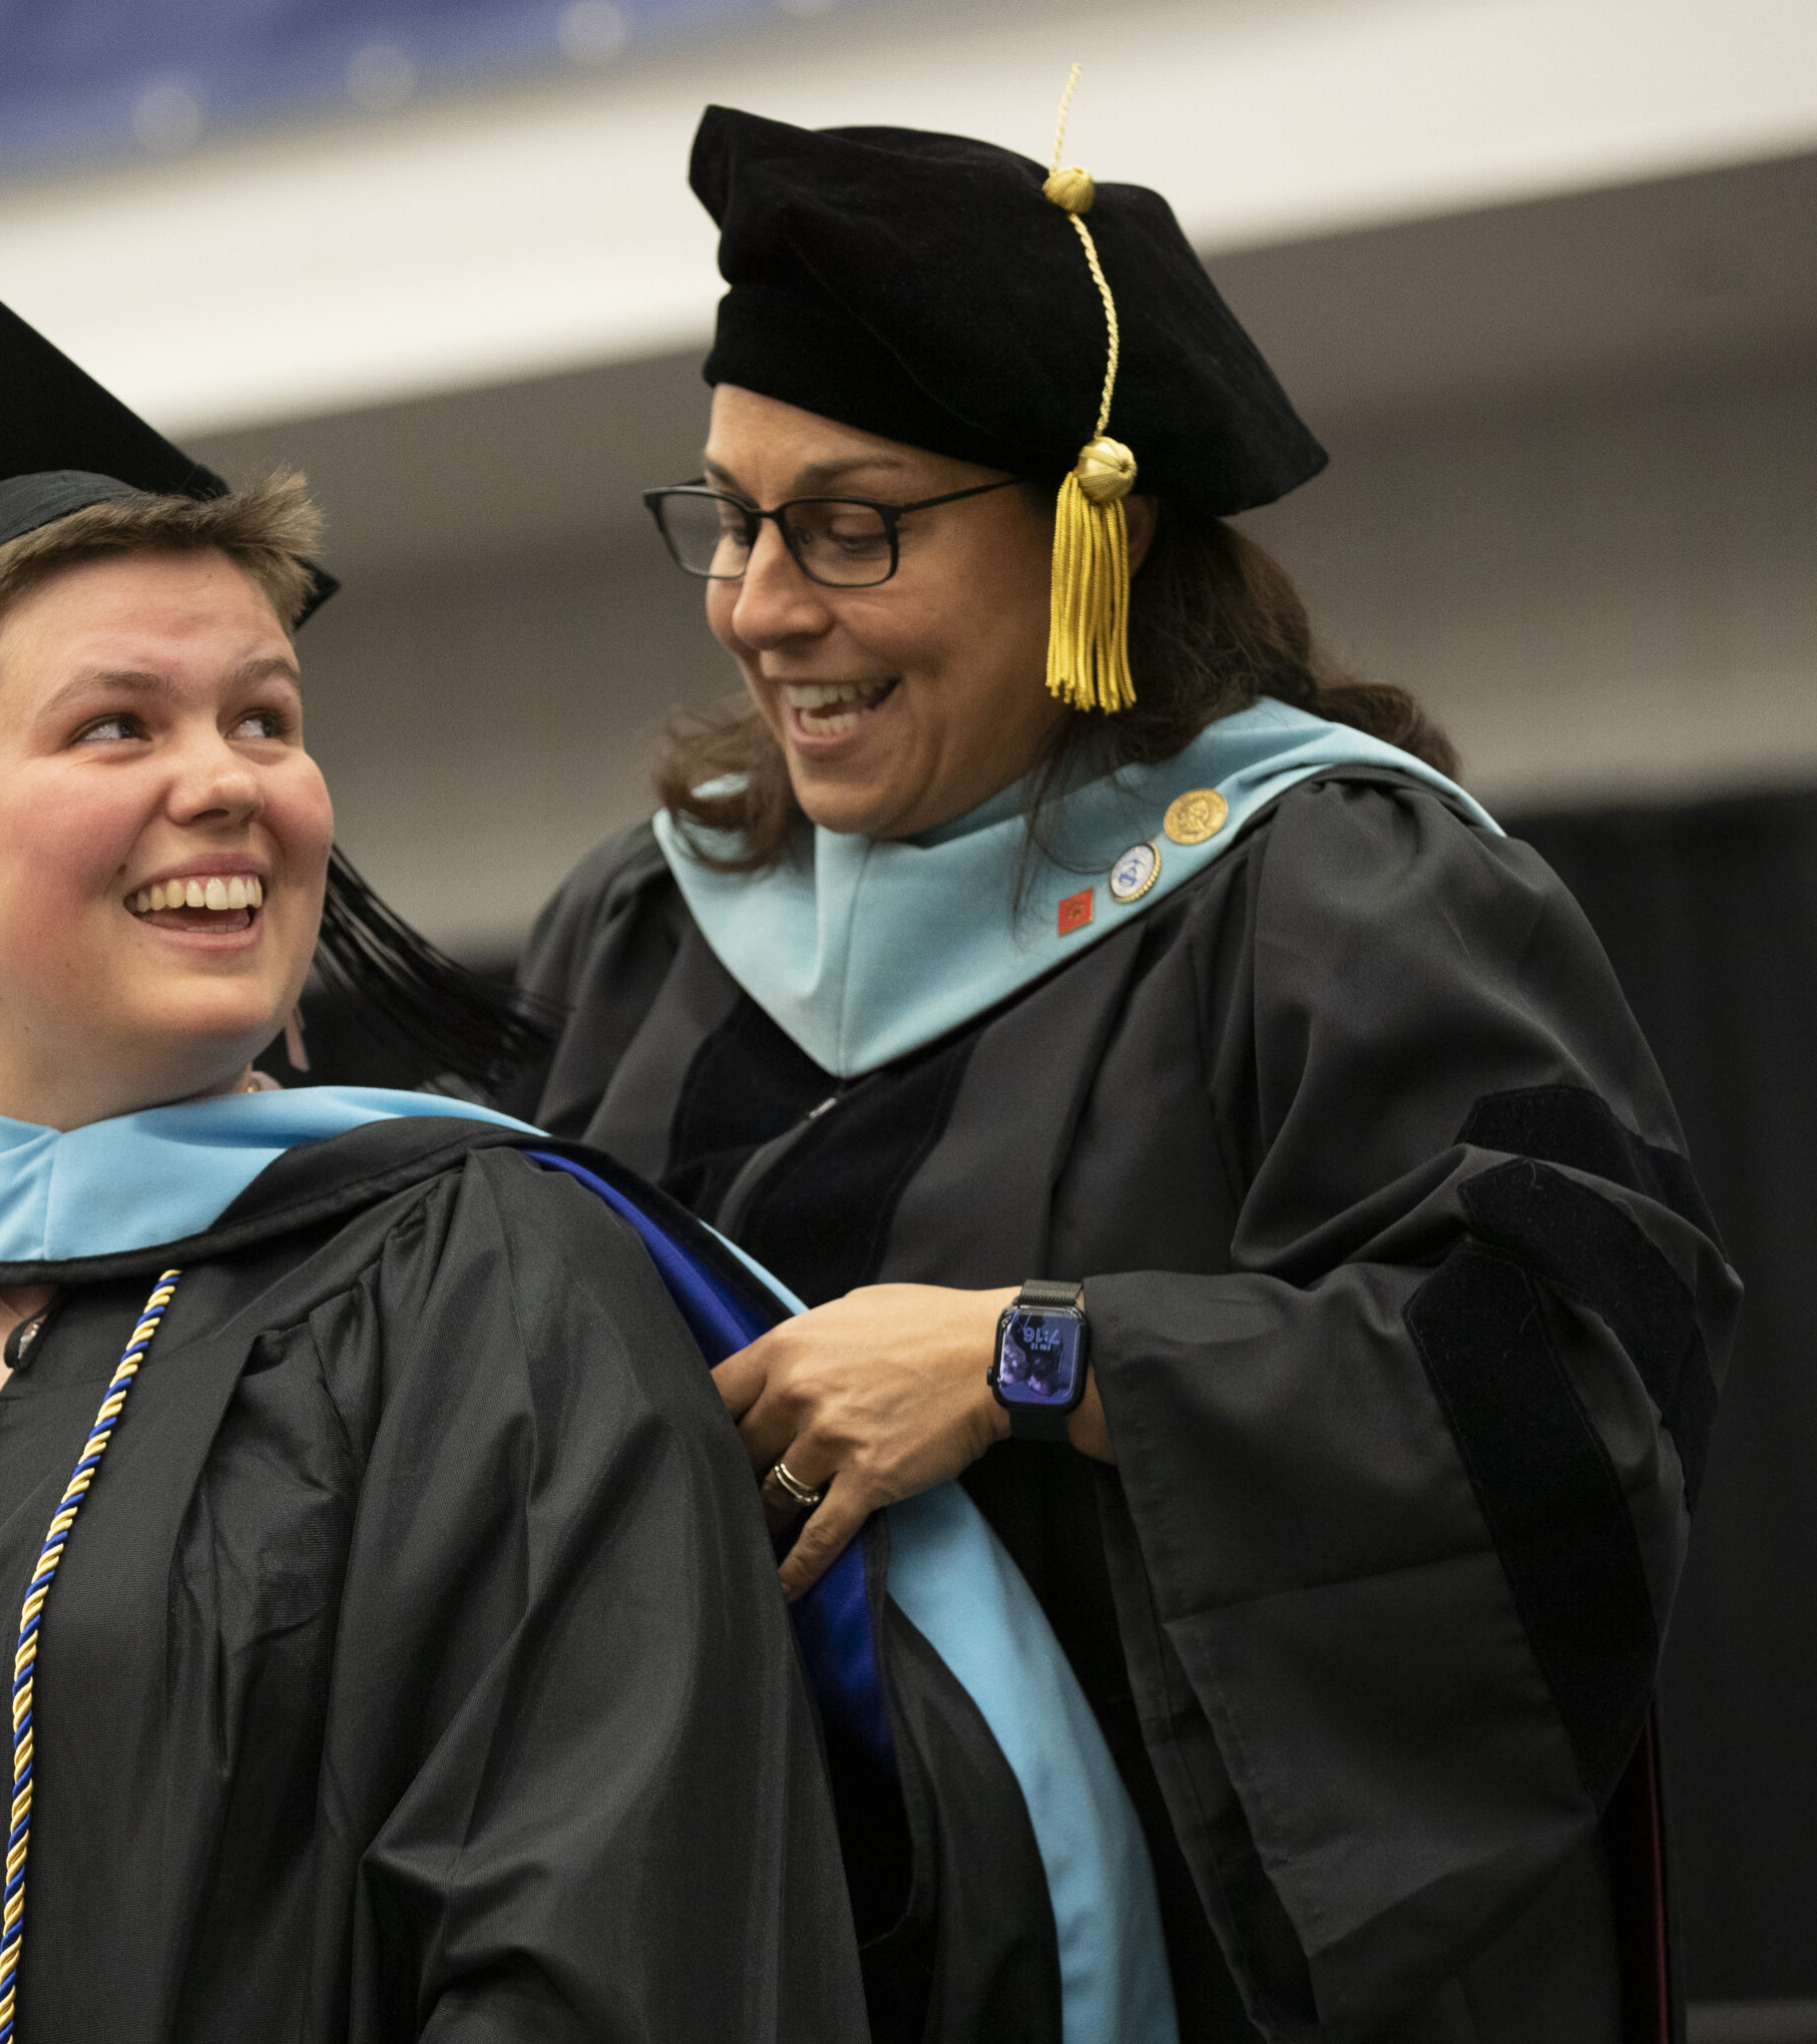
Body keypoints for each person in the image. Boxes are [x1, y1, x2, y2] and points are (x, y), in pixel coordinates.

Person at [0, 282, 879, 2044]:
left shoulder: (481, 1291)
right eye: (118, 725)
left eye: (266, 720)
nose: (229, 783)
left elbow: (608, 1957)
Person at [509, 103, 1740, 2043]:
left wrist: (1033, 1360)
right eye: (728, 520)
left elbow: (1561, 1387)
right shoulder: (646, 934)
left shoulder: (1322, 894)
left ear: (1095, 527)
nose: (756, 601)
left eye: (847, 525)